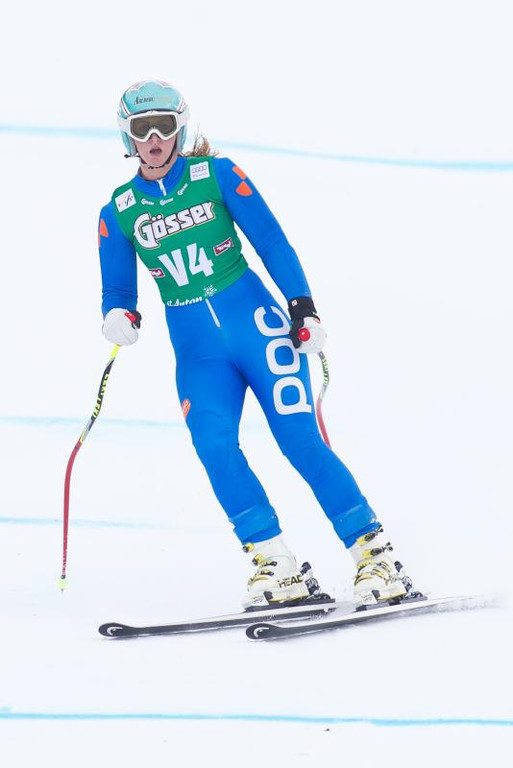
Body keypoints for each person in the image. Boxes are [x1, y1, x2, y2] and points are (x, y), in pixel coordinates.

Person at [98, 79, 415, 609]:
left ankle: (375, 555)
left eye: (164, 127)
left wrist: (303, 307)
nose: (154, 139)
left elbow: (270, 240)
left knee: (298, 440)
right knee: (213, 445)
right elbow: (118, 291)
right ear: (127, 136)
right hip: (199, 355)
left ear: (180, 130)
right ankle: (276, 563)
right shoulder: (119, 210)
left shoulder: (217, 175)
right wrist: (115, 316)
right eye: (142, 129)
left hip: (260, 331)